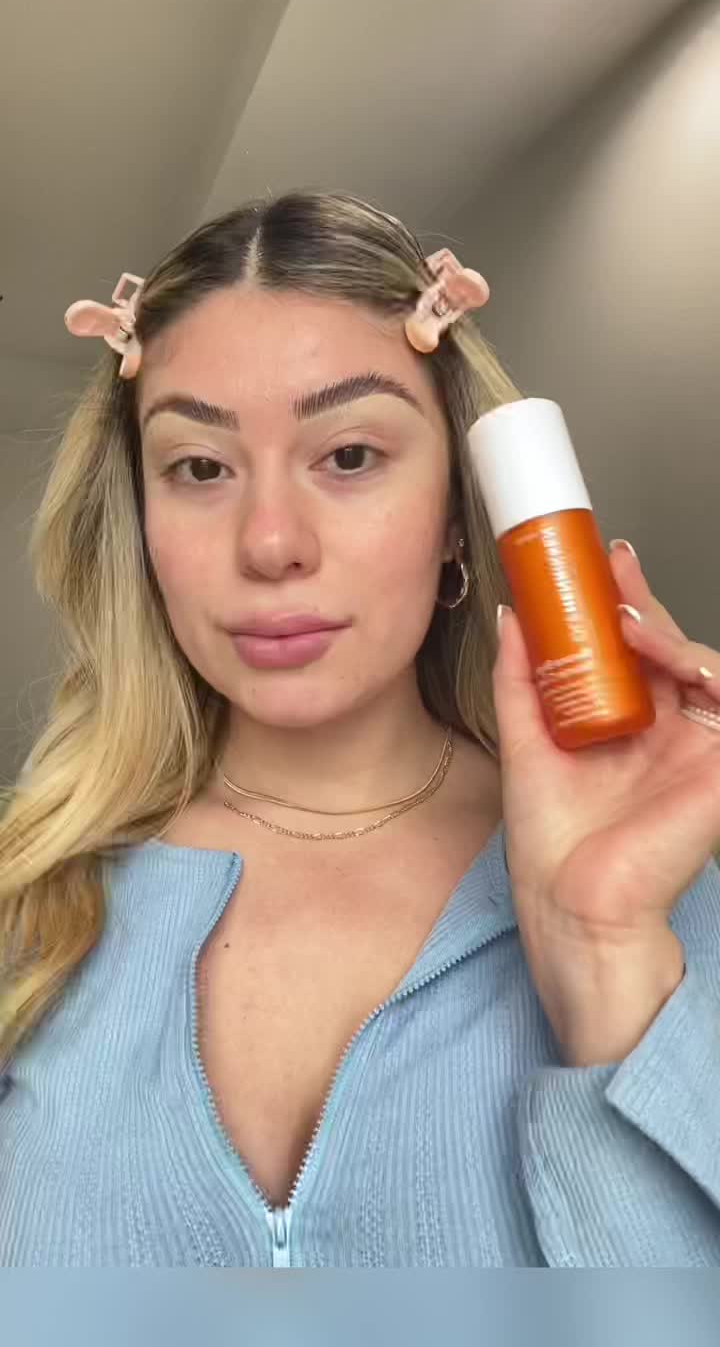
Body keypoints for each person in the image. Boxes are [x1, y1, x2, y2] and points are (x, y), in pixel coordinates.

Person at [1, 189, 720, 1268]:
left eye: (348, 457)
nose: (271, 543)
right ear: (140, 525)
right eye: (200, 467)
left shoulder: (660, 898)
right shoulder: (27, 901)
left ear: (457, 514)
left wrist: (603, 952)